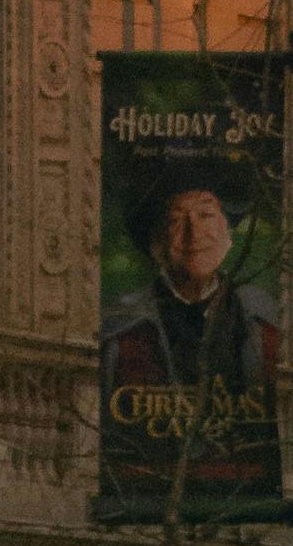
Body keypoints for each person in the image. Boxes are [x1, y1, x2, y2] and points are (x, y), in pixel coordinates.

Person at [103, 170, 280, 426]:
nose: (193, 233)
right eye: (176, 220)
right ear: (158, 241)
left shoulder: (264, 320)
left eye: (206, 215)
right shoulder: (121, 330)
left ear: (226, 232)